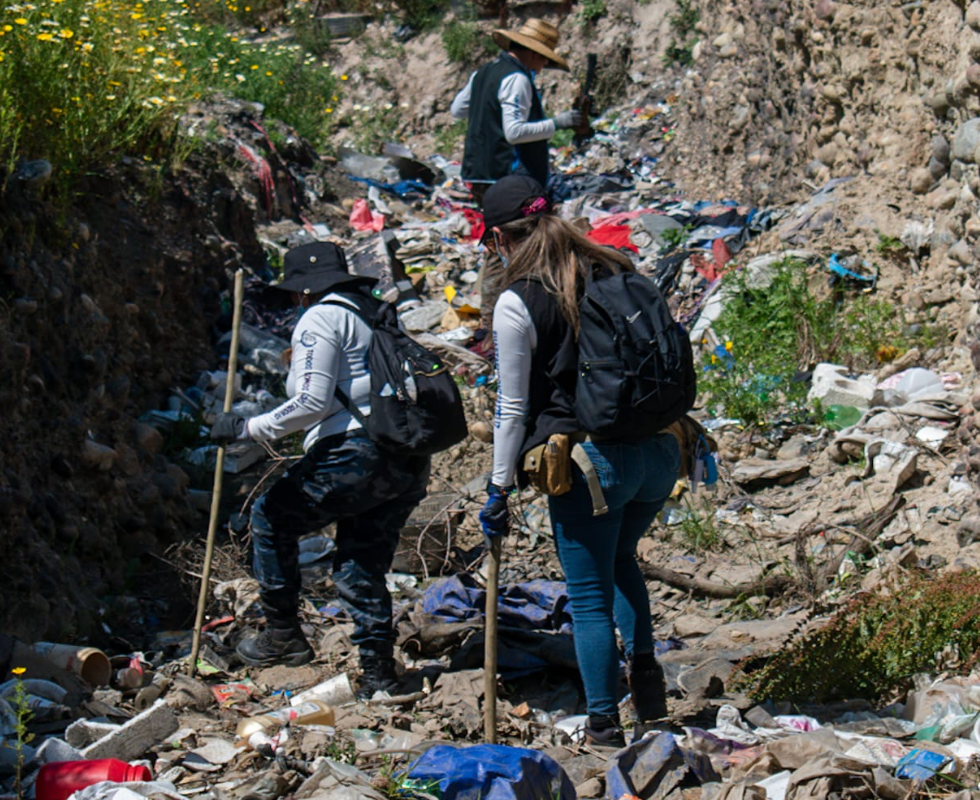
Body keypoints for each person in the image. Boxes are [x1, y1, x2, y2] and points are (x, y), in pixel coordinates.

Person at [476, 175, 680, 746]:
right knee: (621, 563)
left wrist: (499, 489)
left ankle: (603, 725)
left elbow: (512, 407)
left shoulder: (520, 299)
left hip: (590, 467)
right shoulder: (615, 268)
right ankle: (652, 702)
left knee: (588, 596)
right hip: (658, 455)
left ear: (499, 238)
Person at [210, 242, 430, 701]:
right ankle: (378, 675)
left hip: (354, 452)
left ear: (301, 291)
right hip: (404, 457)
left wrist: (248, 427)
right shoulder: (372, 311)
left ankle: (284, 635)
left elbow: (311, 401)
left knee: (270, 518)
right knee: (359, 563)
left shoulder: (319, 318)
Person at [451, 18, 585, 334]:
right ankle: (495, 324)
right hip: (507, 177)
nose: (540, 68)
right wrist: (559, 122)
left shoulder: (482, 73)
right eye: (542, 59)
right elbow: (514, 132)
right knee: (509, 247)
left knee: (498, 244)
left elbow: (458, 109)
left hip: (479, 173)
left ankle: (503, 316)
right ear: (533, 54)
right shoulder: (518, 79)